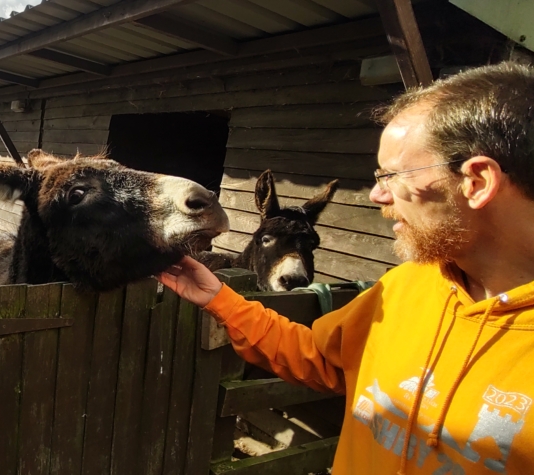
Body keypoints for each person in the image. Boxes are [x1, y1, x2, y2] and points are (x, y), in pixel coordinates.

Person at [158, 61, 534, 475]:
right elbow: (318, 358)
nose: (376, 194)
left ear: (476, 181)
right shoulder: (404, 287)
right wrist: (222, 301)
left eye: (392, 175)